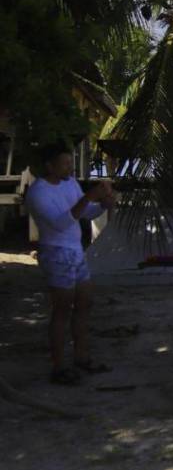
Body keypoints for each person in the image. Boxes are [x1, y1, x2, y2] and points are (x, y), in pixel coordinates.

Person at [26, 143, 116, 385]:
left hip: (76, 251)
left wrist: (103, 205)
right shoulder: (38, 193)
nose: (70, 167)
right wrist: (89, 197)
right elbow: (61, 223)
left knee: (85, 304)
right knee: (62, 310)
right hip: (56, 254)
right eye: (65, 163)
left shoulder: (70, 184)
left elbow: (84, 213)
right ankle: (58, 365)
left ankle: (81, 357)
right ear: (49, 165)